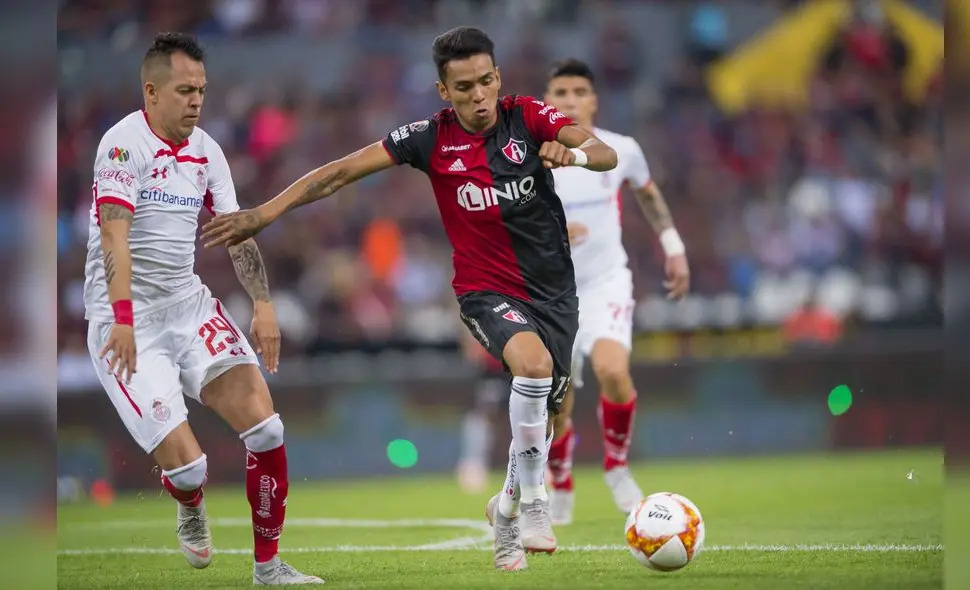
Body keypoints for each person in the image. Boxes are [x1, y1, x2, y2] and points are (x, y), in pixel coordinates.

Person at [200, 26, 619, 571]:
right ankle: (536, 504)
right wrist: (264, 213)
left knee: (552, 415)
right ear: (444, 91)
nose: (478, 96)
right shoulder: (428, 138)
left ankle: (506, 507)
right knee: (532, 367)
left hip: (555, 293)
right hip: (485, 289)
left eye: (486, 81)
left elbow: (603, 152)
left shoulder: (528, 116)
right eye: (464, 87)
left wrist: (575, 157)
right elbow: (339, 173)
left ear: (498, 78)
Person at [84, 33, 322, 585]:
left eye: (202, 91)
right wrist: (123, 319)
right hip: (125, 319)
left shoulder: (207, 151)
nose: (196, 101)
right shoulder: (121, 146)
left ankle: (269, 567)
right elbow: (115, 238)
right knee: (191, 467)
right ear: (151, 92)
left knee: (266, 429)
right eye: (185, 91)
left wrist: (263, 303)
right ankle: (189, 501)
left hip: (187, 306)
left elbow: (236, 231)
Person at [542, 59, 691, 525]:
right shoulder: (531, 156)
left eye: (579, 92)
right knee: (556, 404)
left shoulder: (621, 149)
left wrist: (673, 247)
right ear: (546, 102)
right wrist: (553, 231)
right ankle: (560, 479)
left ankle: (617, 466)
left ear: (594, 100)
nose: (570, 101)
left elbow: (647, 193)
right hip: (551, 291)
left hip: (605, 280)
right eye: (560, 92)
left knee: (612, 369)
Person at [455, 327, 509, 494]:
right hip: (491, 371)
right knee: (482, 416)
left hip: (519, 368)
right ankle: (473, 465)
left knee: (529, 415)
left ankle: (540, 465)